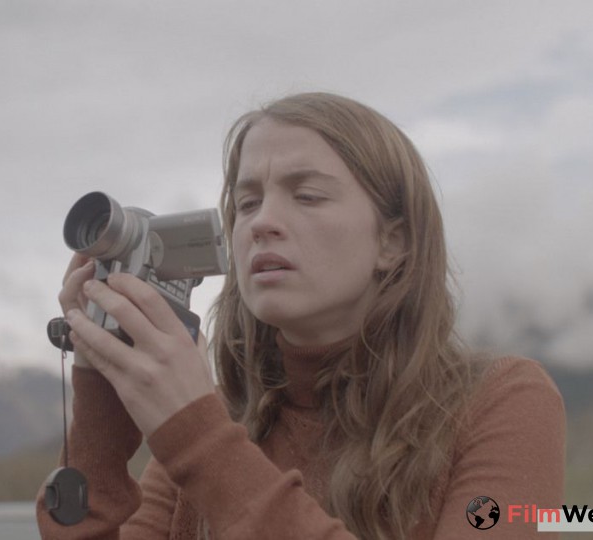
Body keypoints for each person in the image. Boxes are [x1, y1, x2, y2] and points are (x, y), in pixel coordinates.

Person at [37, 92, 565, 539]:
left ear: (394, 241)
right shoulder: (217, 423)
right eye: (246, 203)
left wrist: (198, 437)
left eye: (307, 196)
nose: (262, 222)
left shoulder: (501, 402)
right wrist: (99, 400)